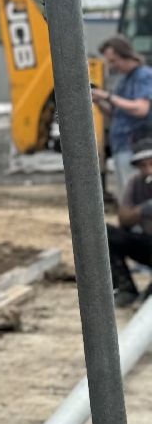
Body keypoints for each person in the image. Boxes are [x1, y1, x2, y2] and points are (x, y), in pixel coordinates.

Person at [92, 34, 152, 197]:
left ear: (126, 55)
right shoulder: (124, 80)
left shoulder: (143, 76)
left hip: (136, 146)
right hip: (122, 145)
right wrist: (99, 102)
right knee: (125, 193)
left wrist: (108, 97)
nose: (112, 66)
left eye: (114, 61)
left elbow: (141, 108)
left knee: (134, 194)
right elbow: (117, 114)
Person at [108, 136, 152, 307]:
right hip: (147, 243)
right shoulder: (135, 182)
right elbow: (124, 219)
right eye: (143, 165)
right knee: (107, 234)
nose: (149, 170)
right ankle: (126, 289)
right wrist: (143, 209)